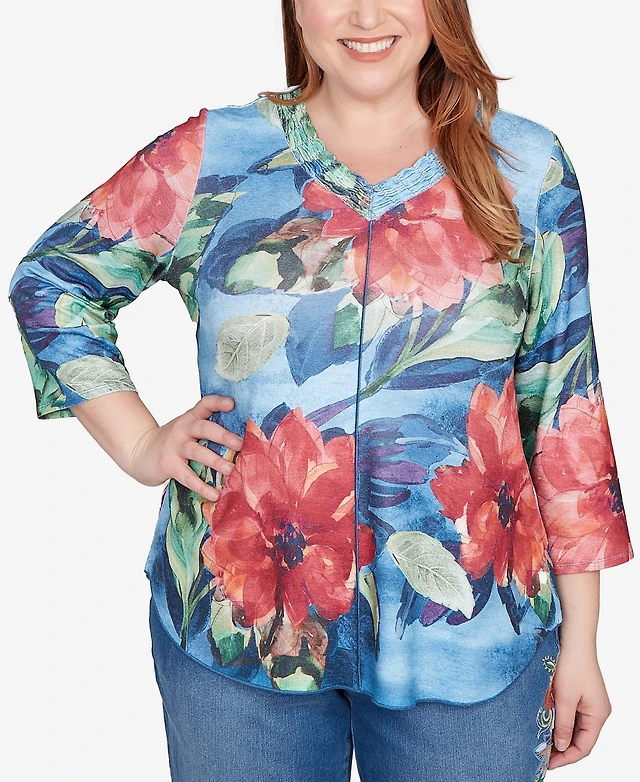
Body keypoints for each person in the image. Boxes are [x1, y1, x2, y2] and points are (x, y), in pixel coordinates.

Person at [6, 1, 634, 780]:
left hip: (472, 634)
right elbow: (55, 280)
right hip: (239, 627)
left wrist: (583, 643)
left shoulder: (526, 166)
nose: (366, 14)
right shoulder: (216, 154)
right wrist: (138, 442)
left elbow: (565, 404)